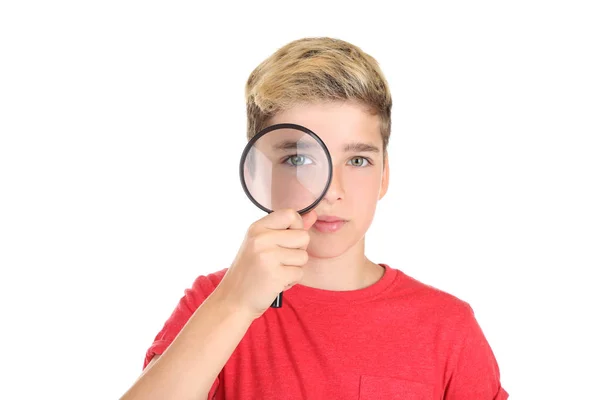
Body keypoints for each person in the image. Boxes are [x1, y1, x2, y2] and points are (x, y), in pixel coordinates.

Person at [119, 37, 509, 400]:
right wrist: (235, 303)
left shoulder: (446, 327)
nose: (331, 190)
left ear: (385, 174)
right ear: (256, 174)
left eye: (358, 160)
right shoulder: (214, 303)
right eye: (299, 159)